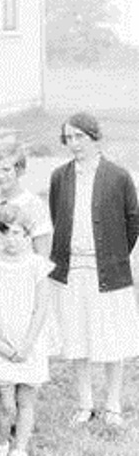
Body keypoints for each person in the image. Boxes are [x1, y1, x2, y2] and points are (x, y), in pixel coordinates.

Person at [48, 111, 139, 428]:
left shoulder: (118, 176)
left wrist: (112, 256)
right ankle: (85, 403)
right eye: (68, 138)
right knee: (77, 338)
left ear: (93, 137)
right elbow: (57, 217)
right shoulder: (60, 176)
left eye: (79, 137)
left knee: (111, 338)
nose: (74, 144)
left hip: (109, 272)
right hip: (73, 271)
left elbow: (132, 222)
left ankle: (112, 403)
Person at [0, 204, 52, 456]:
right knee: (6, 404)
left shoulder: (37, 264)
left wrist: (27, 343)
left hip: (28, 341)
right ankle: (1, 447)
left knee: (26, 401)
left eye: (18, 233)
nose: (12, 239)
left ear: (27, 235)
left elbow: (41, 308)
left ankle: (19, 451)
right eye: (6, 233)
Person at [0, 144, 52, 257]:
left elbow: (42, 252)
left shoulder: (33, 204)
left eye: (6, 170)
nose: (1, 176)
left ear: (19, 171)